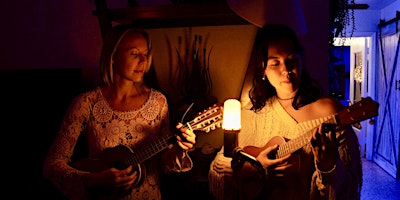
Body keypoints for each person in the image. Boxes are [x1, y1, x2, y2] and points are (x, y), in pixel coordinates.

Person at [208, 24, 362, 200]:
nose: (286, 70)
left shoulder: (330, 113)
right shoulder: (252, 115)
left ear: (302, 61)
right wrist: (253, 168)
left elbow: (352, 188)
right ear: (263, 69)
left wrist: (328, 167)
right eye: (275, 63)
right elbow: (217, 173)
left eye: (292, 60)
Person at [43, 25, 196, 200]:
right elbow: (52, 166)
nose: (143, 60)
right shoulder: (86, 103)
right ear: (113, 56)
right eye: (134, 53)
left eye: (146, 53)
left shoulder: (158, 102)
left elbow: (165, 164)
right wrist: (94, 180)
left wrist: (180, 148)